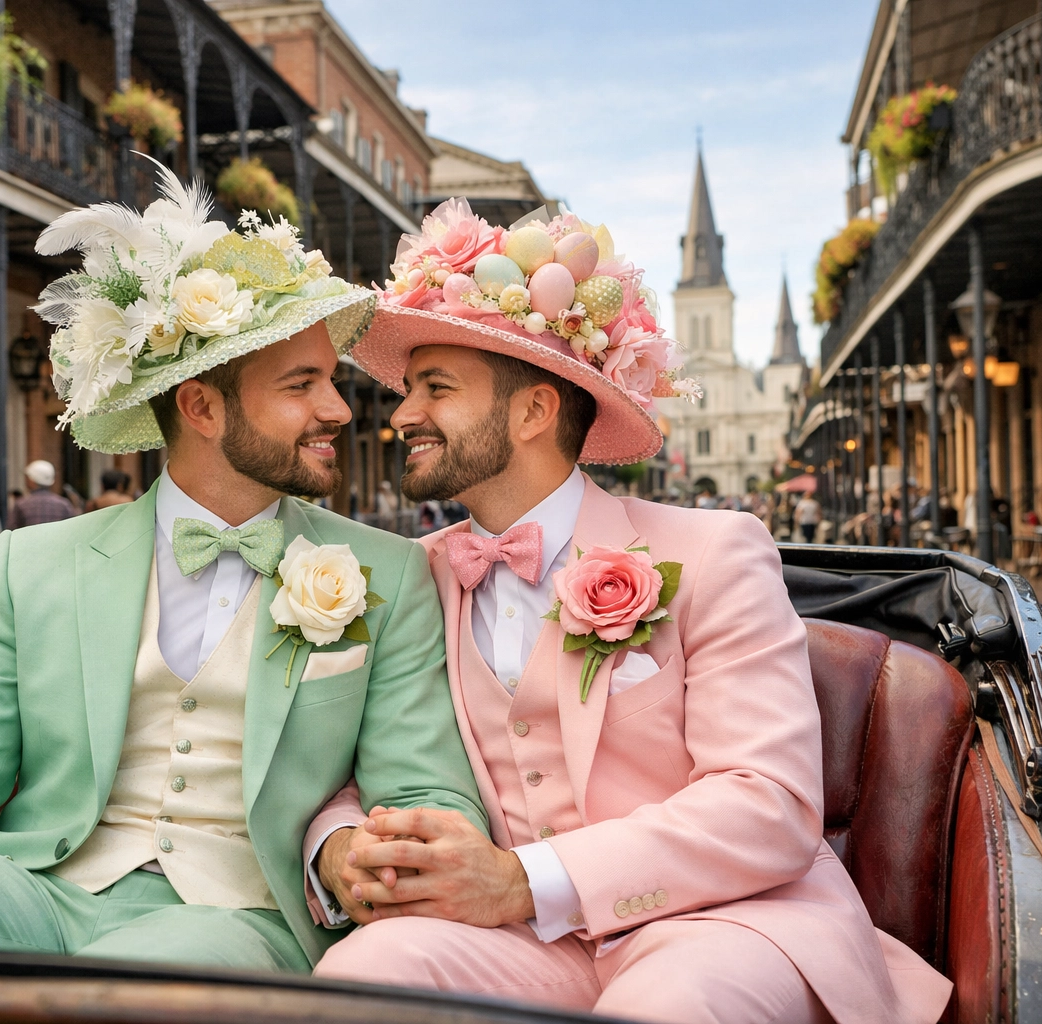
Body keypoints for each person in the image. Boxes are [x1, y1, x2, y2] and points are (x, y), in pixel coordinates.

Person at [0, 170, 485, 975]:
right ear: (201, 410)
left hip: (239, 915)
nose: (341, 411)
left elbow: (425, 787)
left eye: (332, 380)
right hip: (33, 887)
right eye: (301, 384)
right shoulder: (34, 563)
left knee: (138, 983)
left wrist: (381, 852)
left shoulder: (386, 573)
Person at [298, 199, 952, 1024]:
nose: (400, 416)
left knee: (669, 1007)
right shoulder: (410, 576)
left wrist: (521, 880)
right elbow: (337, 767)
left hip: (726, 922)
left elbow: (770, 804)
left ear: (534, 411)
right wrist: (341, 845)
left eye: (435, 388)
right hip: (525, 943)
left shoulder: (716, 552)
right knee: (363, 981)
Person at [9, 460, 74, 528]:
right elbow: (72, 530)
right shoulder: (64, 504)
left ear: (32, 480)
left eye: (27, 477)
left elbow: (12, 531)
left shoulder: (21, 504)